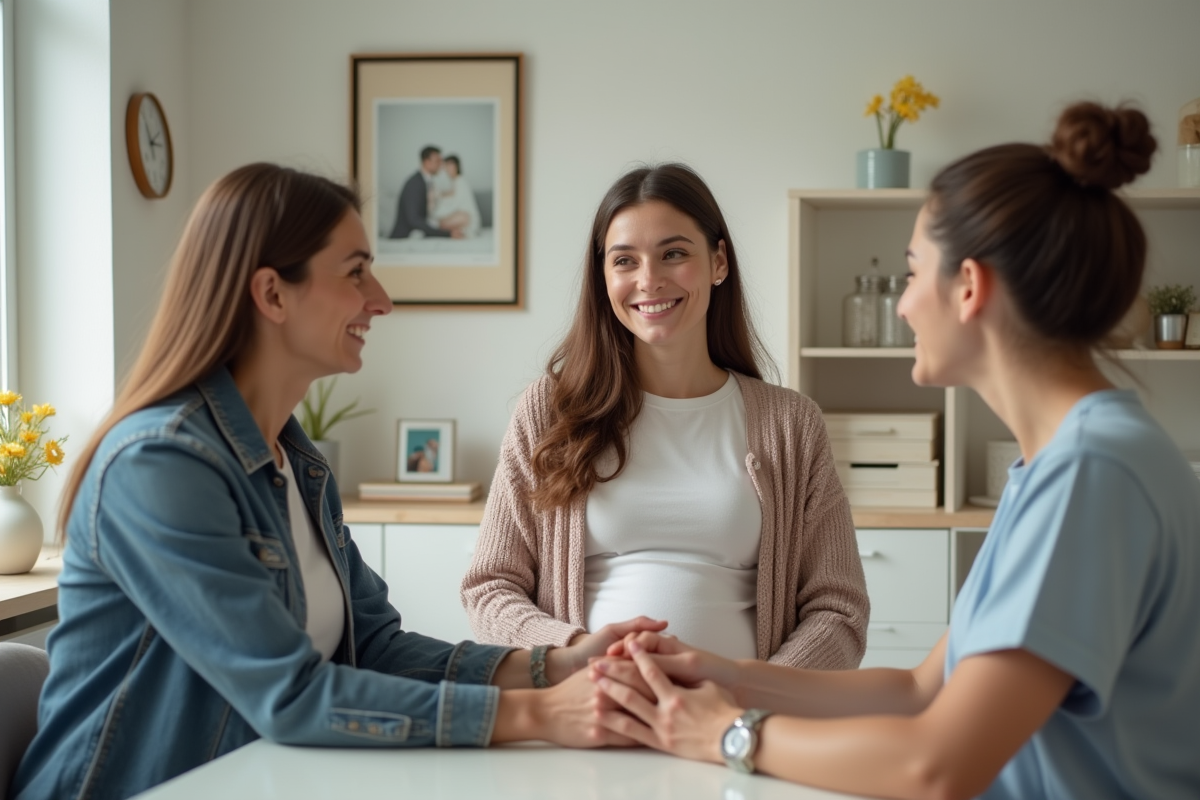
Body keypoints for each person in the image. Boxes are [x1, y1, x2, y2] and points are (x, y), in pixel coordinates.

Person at [590, 103, 1200, 799]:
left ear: (968, 287)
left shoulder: (1093, 473)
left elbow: (936, 765)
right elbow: (917, 691)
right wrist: (722, 674)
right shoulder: (1061, 464)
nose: (904, 305)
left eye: (913, 274)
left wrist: (725, 735)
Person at [12, 164, 664, 800]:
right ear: (272, 294)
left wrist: (560, 666)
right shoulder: (158, 464)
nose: (380, 299)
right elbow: (289, 695)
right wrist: (543, 714)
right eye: (356, 272)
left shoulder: (299, 465)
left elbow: (374, 645)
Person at [461, 164, 869, 668]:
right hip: (592, 712)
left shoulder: (792, 425)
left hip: (736, 726)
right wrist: (576, 656)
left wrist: (752, 696)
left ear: (719, 262)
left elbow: (839, 610)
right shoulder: (549, 412)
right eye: (624, 261)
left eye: (674, 254)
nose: (649, 280)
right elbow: (490, 587)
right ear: (604, 277)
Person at [389, 145, 462, 240]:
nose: (440, 165)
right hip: (404, 238)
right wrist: (446, 234)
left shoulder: (427, 182)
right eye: (437, 161)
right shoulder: (414, 184)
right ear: (427, 162)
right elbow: (414, 220)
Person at [431, 155, 482, 237]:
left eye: (450, 166)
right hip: (460, 215)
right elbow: (451, 194)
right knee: (439, 221)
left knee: (444, 222)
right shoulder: (454, 182)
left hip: (467, 217)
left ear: (457, 167)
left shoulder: (461, 181)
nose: (448, 169)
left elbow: (457, 201)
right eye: (446, 166)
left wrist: (440, 196)